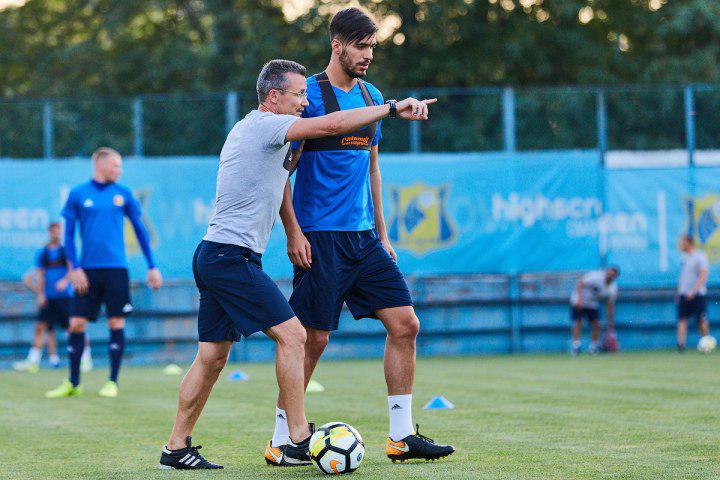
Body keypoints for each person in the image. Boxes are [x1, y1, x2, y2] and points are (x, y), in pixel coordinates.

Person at [159, 59, 435, 470]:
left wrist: (294, 229)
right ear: (274, 97)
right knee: (293, 335)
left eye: (307, 95)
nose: (305, 102)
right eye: (298, 95)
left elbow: (293, 169)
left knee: (213, 357)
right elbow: (329, 127)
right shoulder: (265, 125)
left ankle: (175, 448)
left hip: (220, 254)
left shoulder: (267, 133)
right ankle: (299, 438)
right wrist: (392, 108)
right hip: (228, 258)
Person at [265, 8, 455, 466]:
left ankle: (401, 436)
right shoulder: (306, 94)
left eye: (373, 46)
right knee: (313, 340)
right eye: (361, 46)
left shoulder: (372, 95)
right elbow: (279, 172)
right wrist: (293, 231)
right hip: (320, 238)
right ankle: (280, 440)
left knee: (406, 324)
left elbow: (372, 167)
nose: (369, 55)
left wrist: (384, 234)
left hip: (365, 238)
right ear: (337, 44)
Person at [45, 147, 162, 399]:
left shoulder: (123, 194)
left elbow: (141, 232)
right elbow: (68, 233)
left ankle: (112, 381)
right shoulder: (78, 194)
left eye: (120, 166)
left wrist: (152, 266)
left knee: (116, 322)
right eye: (115, 166)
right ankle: (73, 383)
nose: (118, 170)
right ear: (99, 165)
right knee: (76, 324)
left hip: (116, 270)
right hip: (86, 271)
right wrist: (74, 268)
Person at [13, 222, 71, 372]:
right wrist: (41, 294)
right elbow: (39, 276)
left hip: (65, 297)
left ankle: (85, 358)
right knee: (43, 327)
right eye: (53, 231)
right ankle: (38, 361)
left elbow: (73, 270)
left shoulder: (66, 251)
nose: (56, 234)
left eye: (58, 231)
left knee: (74, 326)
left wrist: (65, 281)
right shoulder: (43, 253)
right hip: (49, 298)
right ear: (49, 233)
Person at [570, 266, 620, 356]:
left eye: (613, 275)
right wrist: (579, 300)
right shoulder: (596, 276)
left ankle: (594, 347)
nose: (610, 276)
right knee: (578, 322)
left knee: (596, 324)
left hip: (592, 303)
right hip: (579, 299)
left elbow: (610, 305)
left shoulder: (613, 288)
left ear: (615, 277)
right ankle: (576, 346)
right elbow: (580, 284)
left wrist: (611, 321)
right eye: (609, 273)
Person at [676, 235, 711, 351]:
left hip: (698, 294)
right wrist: (679, 292)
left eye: (683, 242)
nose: (681, 245)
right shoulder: (684, 257)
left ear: (688, 243)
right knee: (682, 319)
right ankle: (681, 345)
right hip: (684, 294)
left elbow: (703, 275)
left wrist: (693, 291)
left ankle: (705, 344)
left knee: (702, 319)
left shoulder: (699, 256)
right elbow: (683, 278)